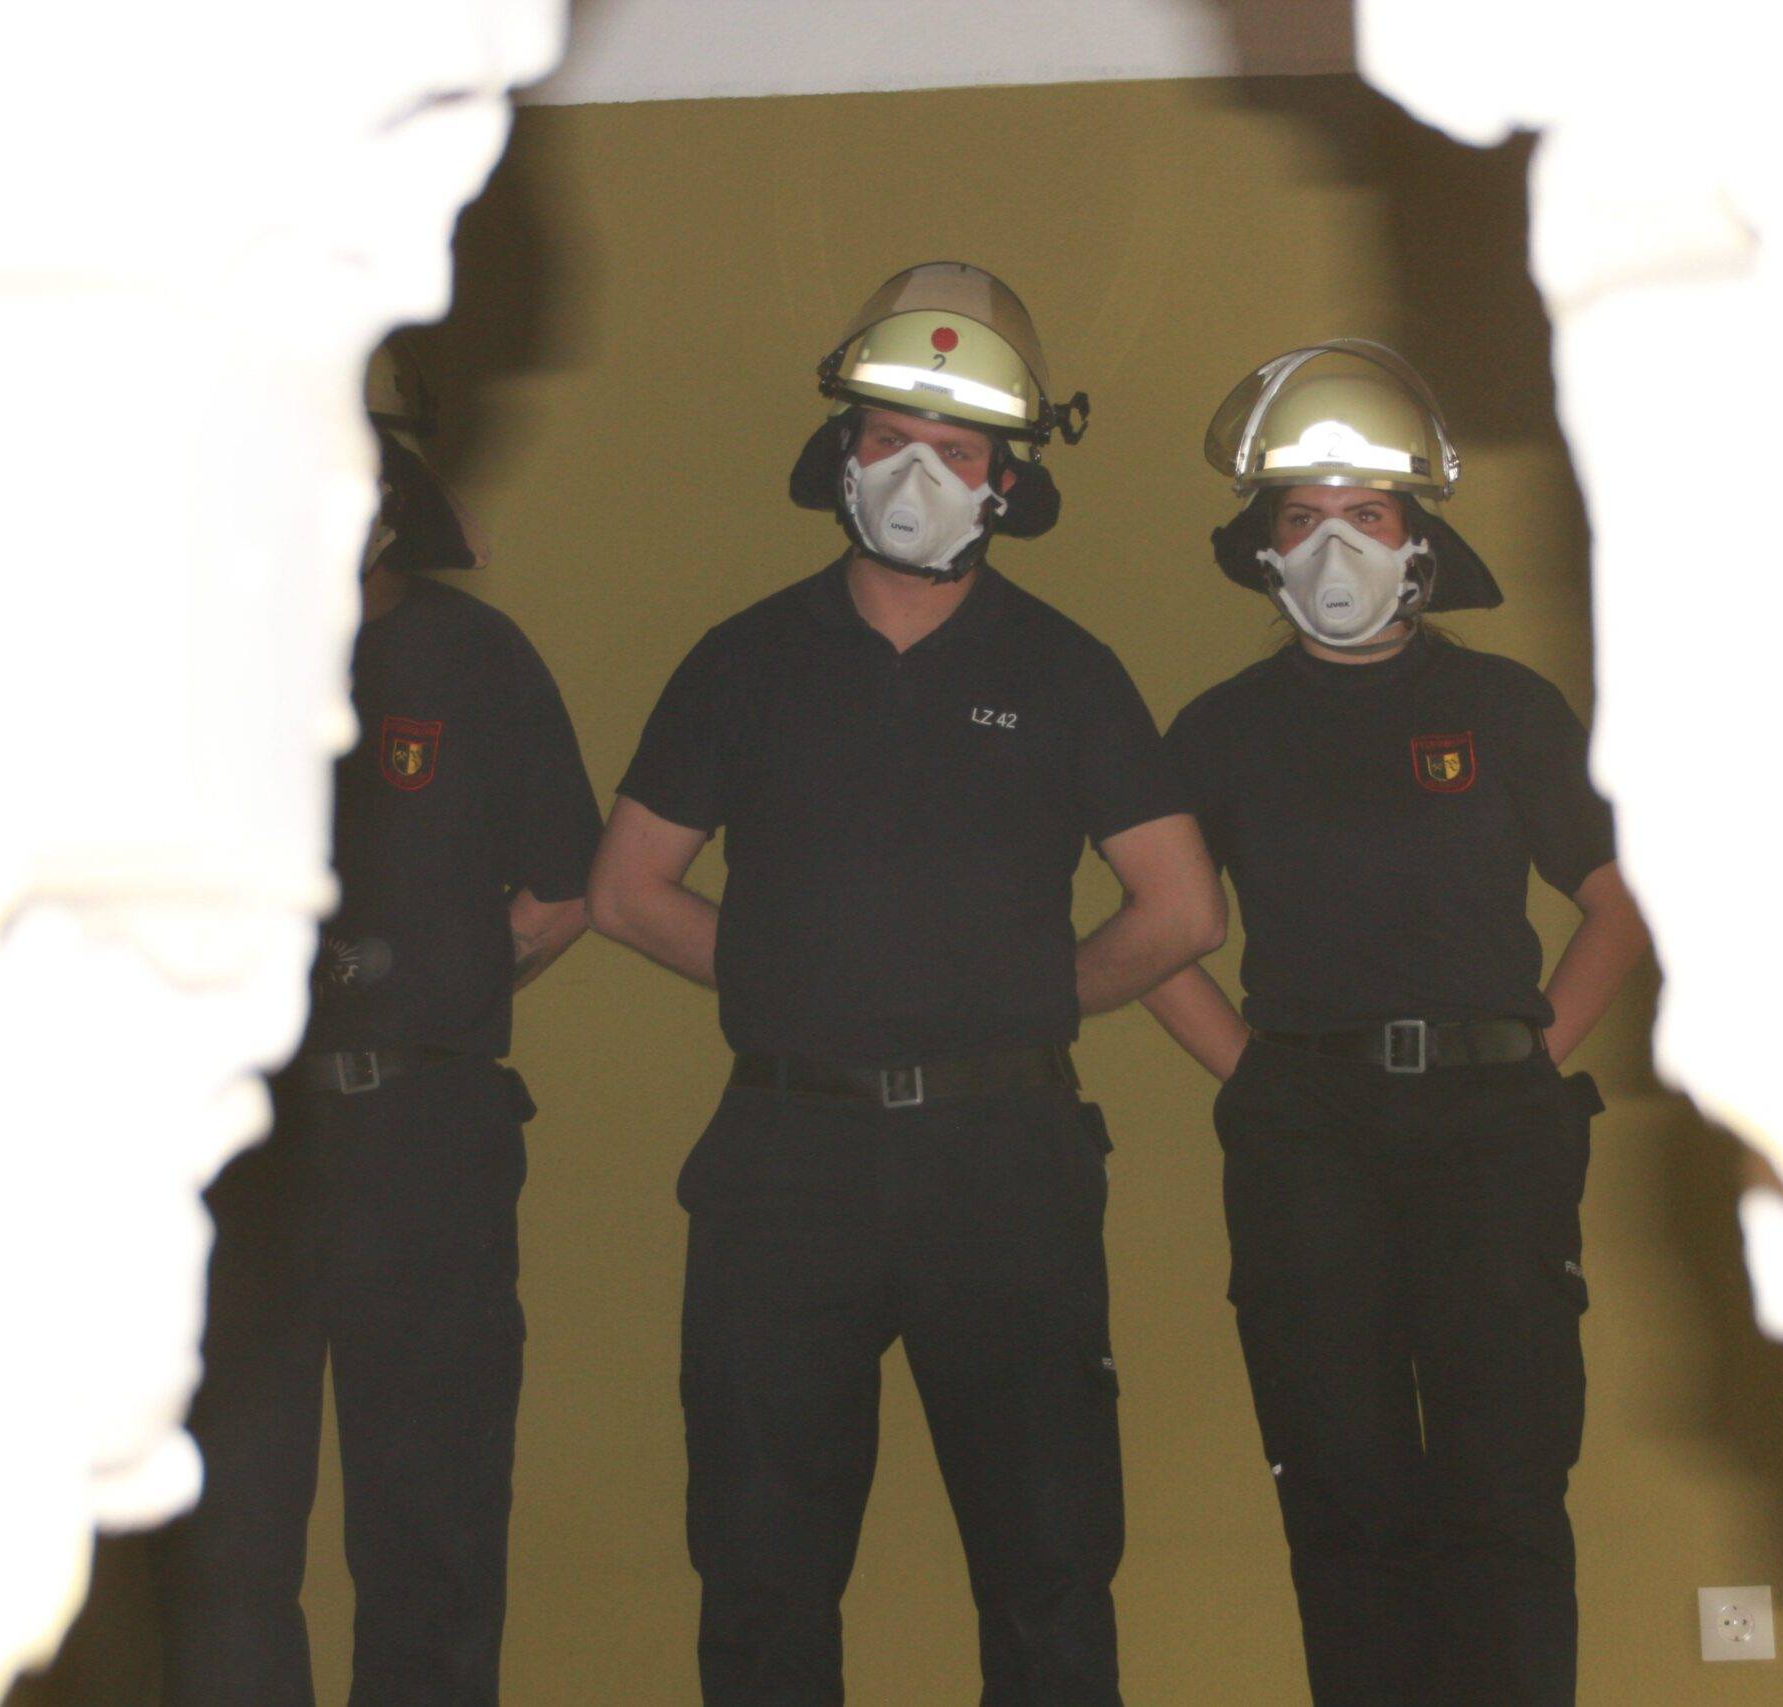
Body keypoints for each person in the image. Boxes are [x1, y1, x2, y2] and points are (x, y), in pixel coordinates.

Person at [587, 262, 1225, 1706]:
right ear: (841, 450)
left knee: (1050, 1573)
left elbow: (1184, 909)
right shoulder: (744, 661)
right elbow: (626, 888)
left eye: (956, 450)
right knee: (760, 1576)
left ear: (1010, 480)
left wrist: (1023, 994)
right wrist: (793, 978)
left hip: (1005, 1164)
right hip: (784, 1165)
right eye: (889, 438)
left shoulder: (1066, 672)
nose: (916, 473)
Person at [1142, 342, 1651, 1706]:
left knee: (1506, 1493)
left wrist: (1532, 1057)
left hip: (1495, 1138)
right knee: (1343, 1495)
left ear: (1419, 540)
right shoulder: (1219, 732)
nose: (1334, 548)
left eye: (1365, 515)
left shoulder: (1505, 710)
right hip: (1305, 1142)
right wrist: (1254, 1073)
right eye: (1302, 519)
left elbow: (1619, 902)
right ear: (1263, 548)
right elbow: (1157, 928)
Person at [155, 337, 603, 1705]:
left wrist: (433, 992)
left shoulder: (476, 660)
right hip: (237, 1151)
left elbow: (566, 887)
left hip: (428, 1142)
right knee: (225, 1547)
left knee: (434, 1534)